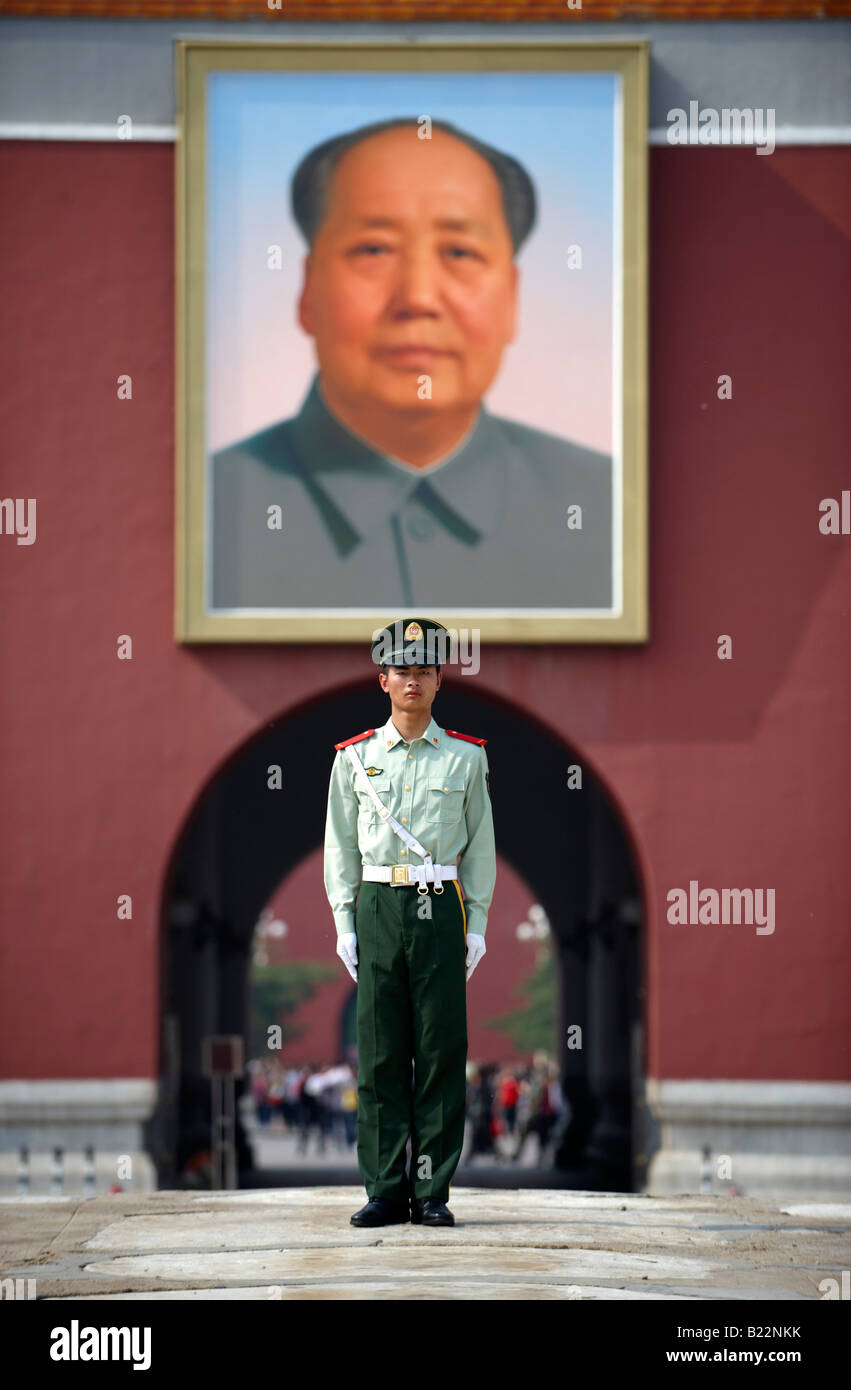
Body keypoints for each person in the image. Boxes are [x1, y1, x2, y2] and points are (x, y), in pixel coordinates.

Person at [211, 116, 612, 610]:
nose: (418, 298)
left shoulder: (615, 515)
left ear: (512, 298)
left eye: (460, 252)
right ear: (307, 292)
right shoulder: (203, 516)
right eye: (374, 249)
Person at [323, 617, 496, 1227]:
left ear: (439, 679)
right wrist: (345, 922)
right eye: (403, 672)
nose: (413, 681)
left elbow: (479, 847)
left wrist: (475, 924)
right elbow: (341, 847)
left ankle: (431, 1192)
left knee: (441, 1049)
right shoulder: (354, 759)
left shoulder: (466, 758)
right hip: (378, 903)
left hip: (439, 903)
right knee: (379, 1053)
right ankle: (384, 1188)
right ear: (383, 679)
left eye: (424, 671)